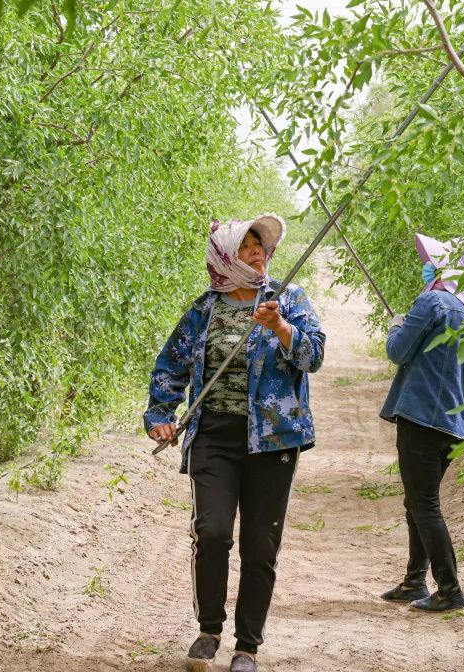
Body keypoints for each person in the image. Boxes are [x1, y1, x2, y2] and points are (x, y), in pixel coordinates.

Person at [144, 214, 325, 672]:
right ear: (226, 256)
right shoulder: (205, 309)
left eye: (260, 246)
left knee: (260, 545)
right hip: (215, 437)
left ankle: (247, 647)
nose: (258, 253)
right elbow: (171, 365)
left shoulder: (288, 299)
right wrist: (160, 415)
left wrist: (281, 328)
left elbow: (314, 356)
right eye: (246, 246)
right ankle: (209, 630)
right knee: (213, 532)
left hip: (273, 440)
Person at [379, 232, 464, 612]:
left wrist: (398, 325)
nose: (426, 267)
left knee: (424, 503)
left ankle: (449, 589)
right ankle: (415, 581)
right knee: (417, 499)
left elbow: (398, 352)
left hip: (420, 418)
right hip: (456, 427)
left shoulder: (433, 302)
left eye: (433, 263)